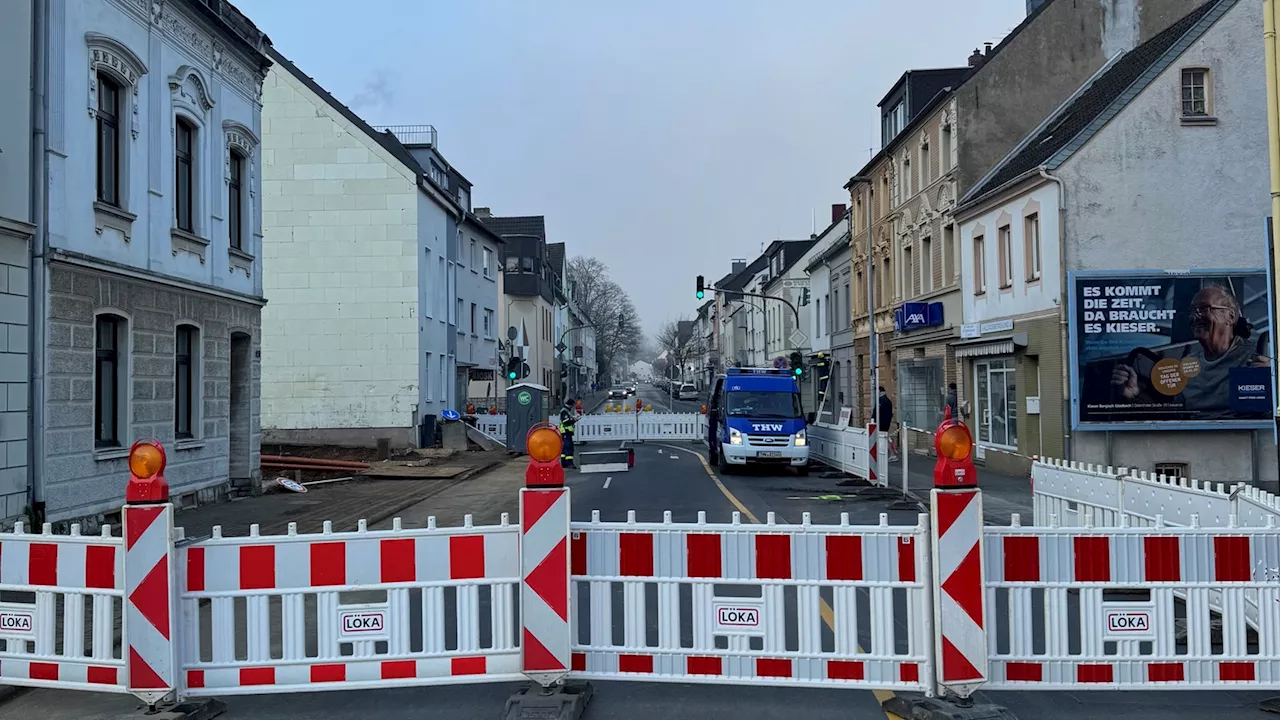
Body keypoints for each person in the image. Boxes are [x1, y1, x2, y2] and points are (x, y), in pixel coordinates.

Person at [1111, 285, 1270, 415]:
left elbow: (1261, 415)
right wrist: (1135, 395)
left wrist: (1274, 385)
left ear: (1230, 316)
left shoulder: (1256, 357)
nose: (1195, 317)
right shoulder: (1188, 365)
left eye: (1203, 309)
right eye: (1192, 311)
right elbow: (1176, 414)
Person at [877, 386, 898, 461]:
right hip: (884, 423)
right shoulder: (886, 400)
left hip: (882, 423)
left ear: (880, 392)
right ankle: (892, 452)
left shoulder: (882, 401)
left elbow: (883, 413)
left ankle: (892, 453)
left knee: (884, 438)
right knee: (885, 438)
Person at [557, 397, 578, 468]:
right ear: (570, 405)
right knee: (569, 447)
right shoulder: (564, 411)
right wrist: (573, 420)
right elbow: (565, 421)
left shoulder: (566, 411)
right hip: (566, 431)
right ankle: (569, 463)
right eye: (572, 406)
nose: (572, 407)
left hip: (566, 432)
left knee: (565, 448)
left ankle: (564, 463)